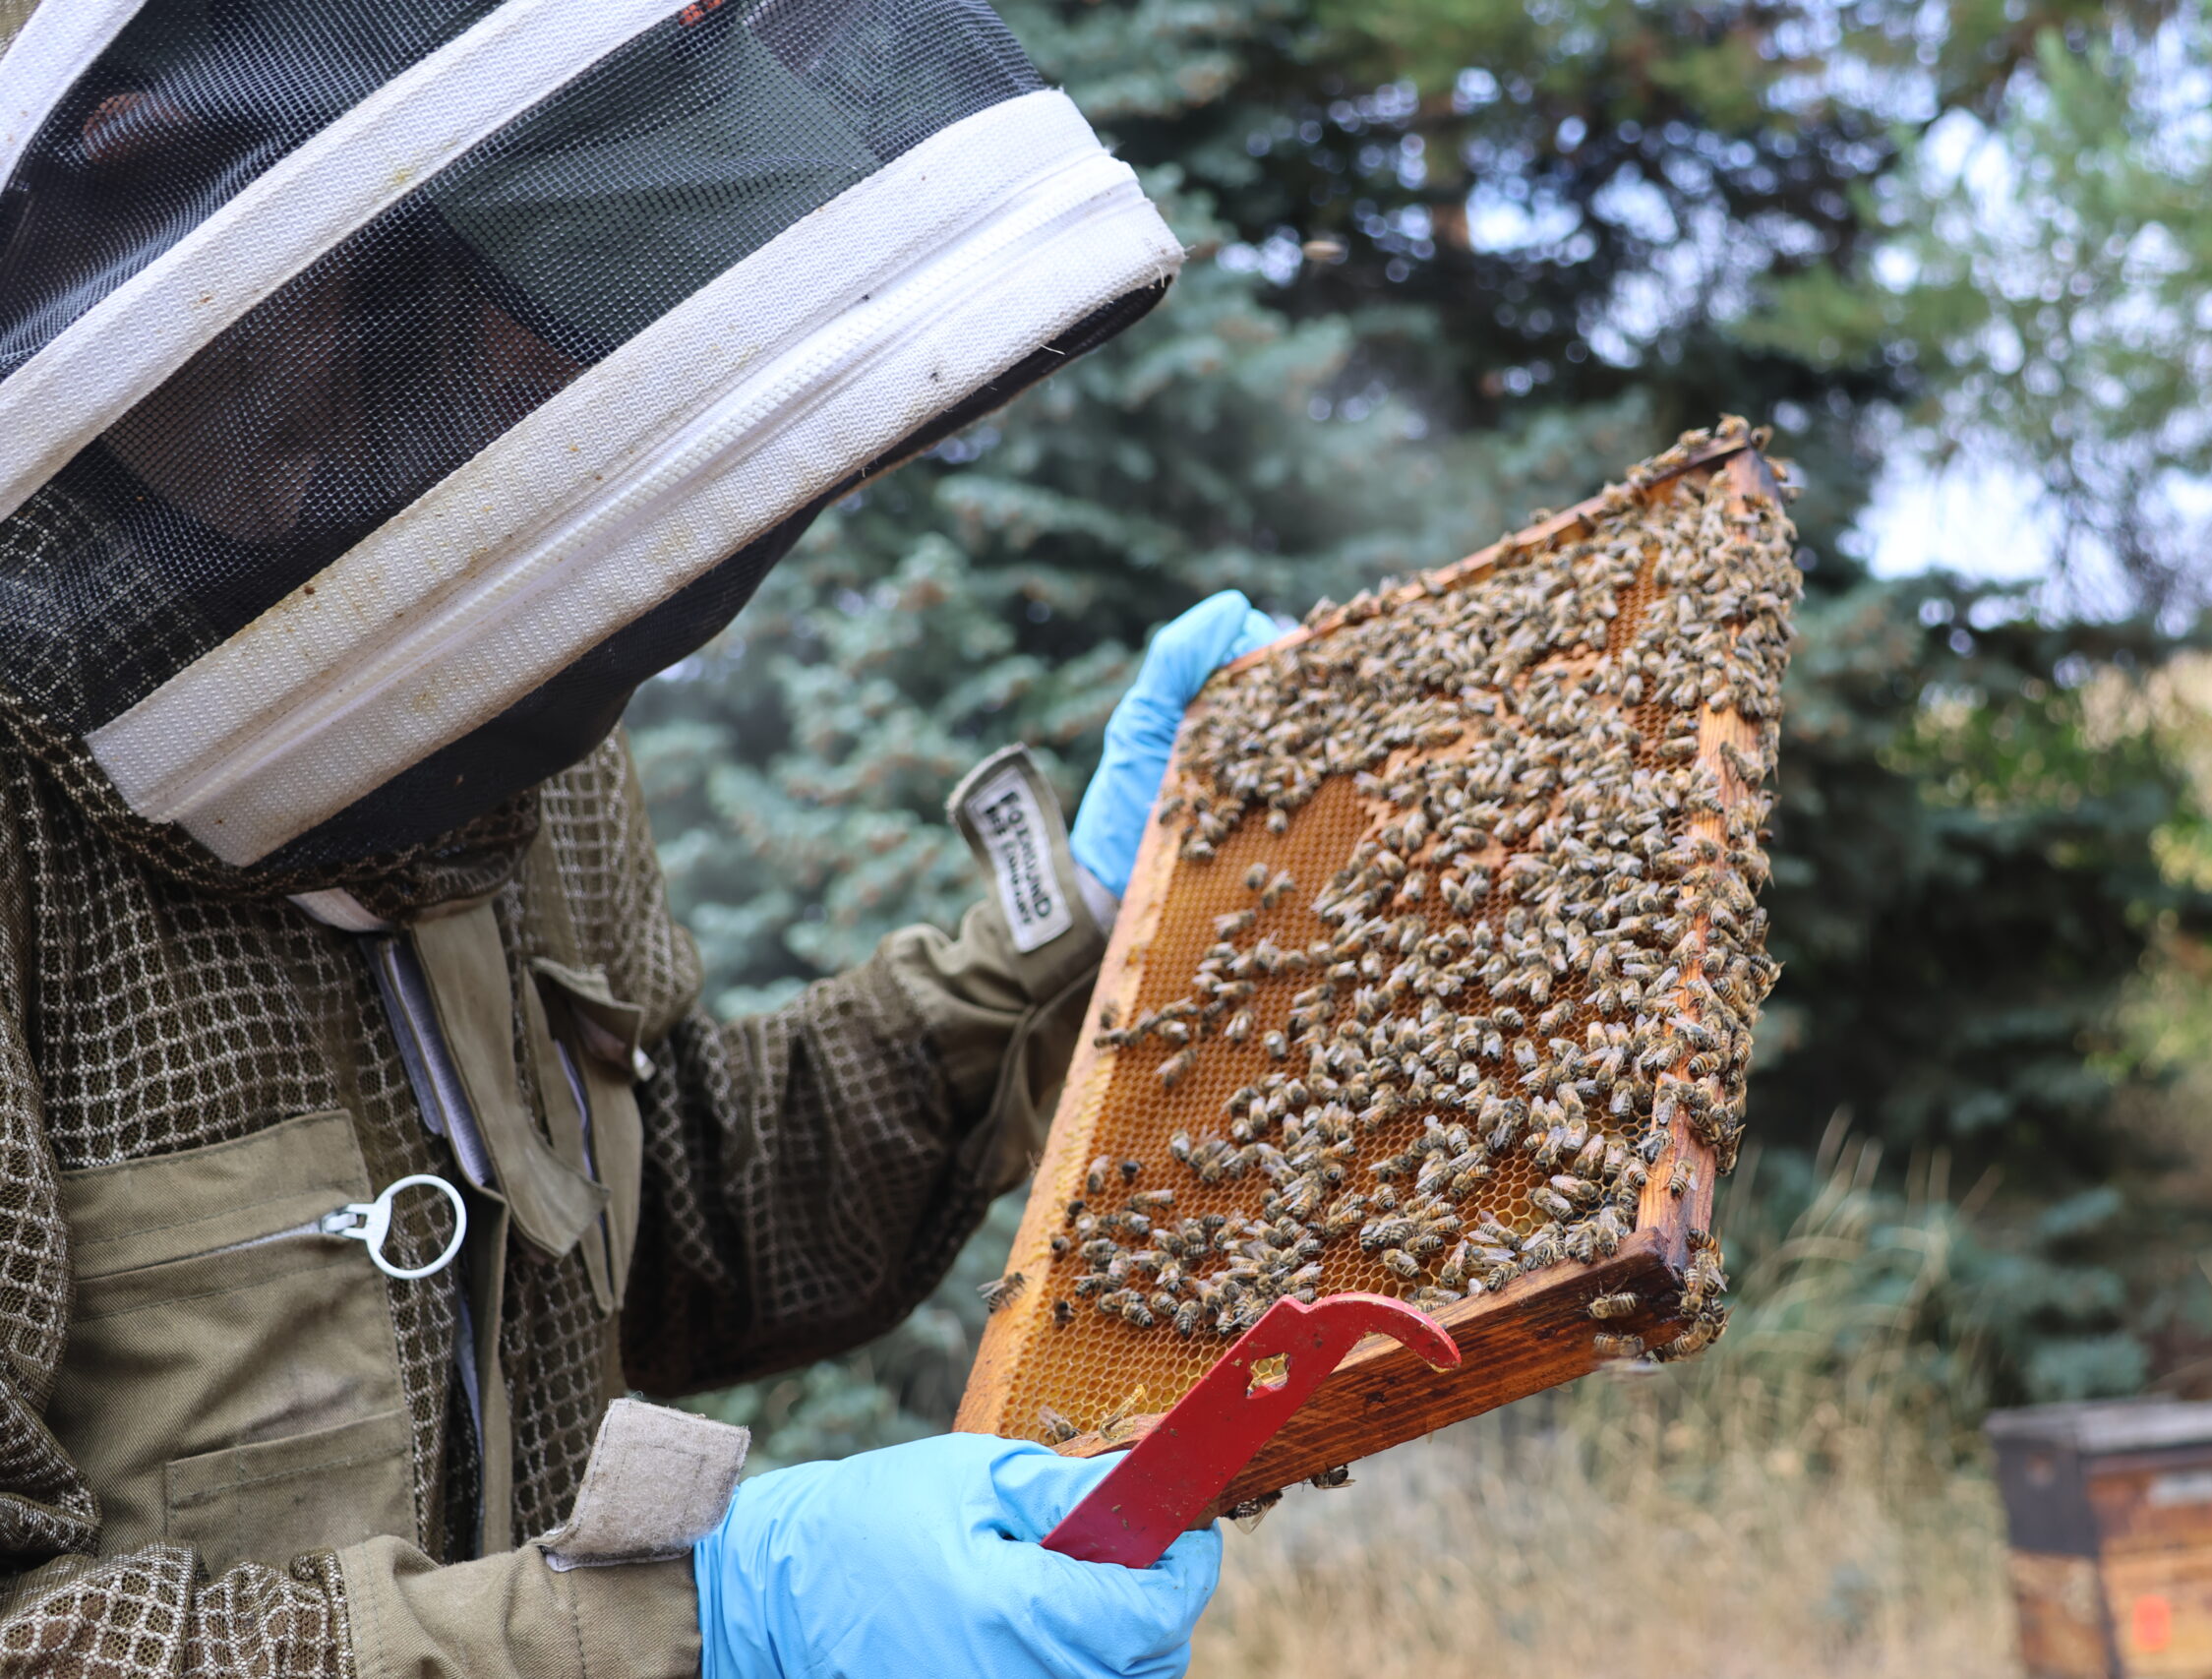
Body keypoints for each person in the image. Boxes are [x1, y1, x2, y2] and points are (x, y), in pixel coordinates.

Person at [0, 0, 1267, 1672]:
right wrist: (691, 1626)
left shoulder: (495, 717)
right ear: (154, 196)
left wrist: (1069, 942)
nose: (564, 390)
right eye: (524, 298)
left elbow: (665, 1231)